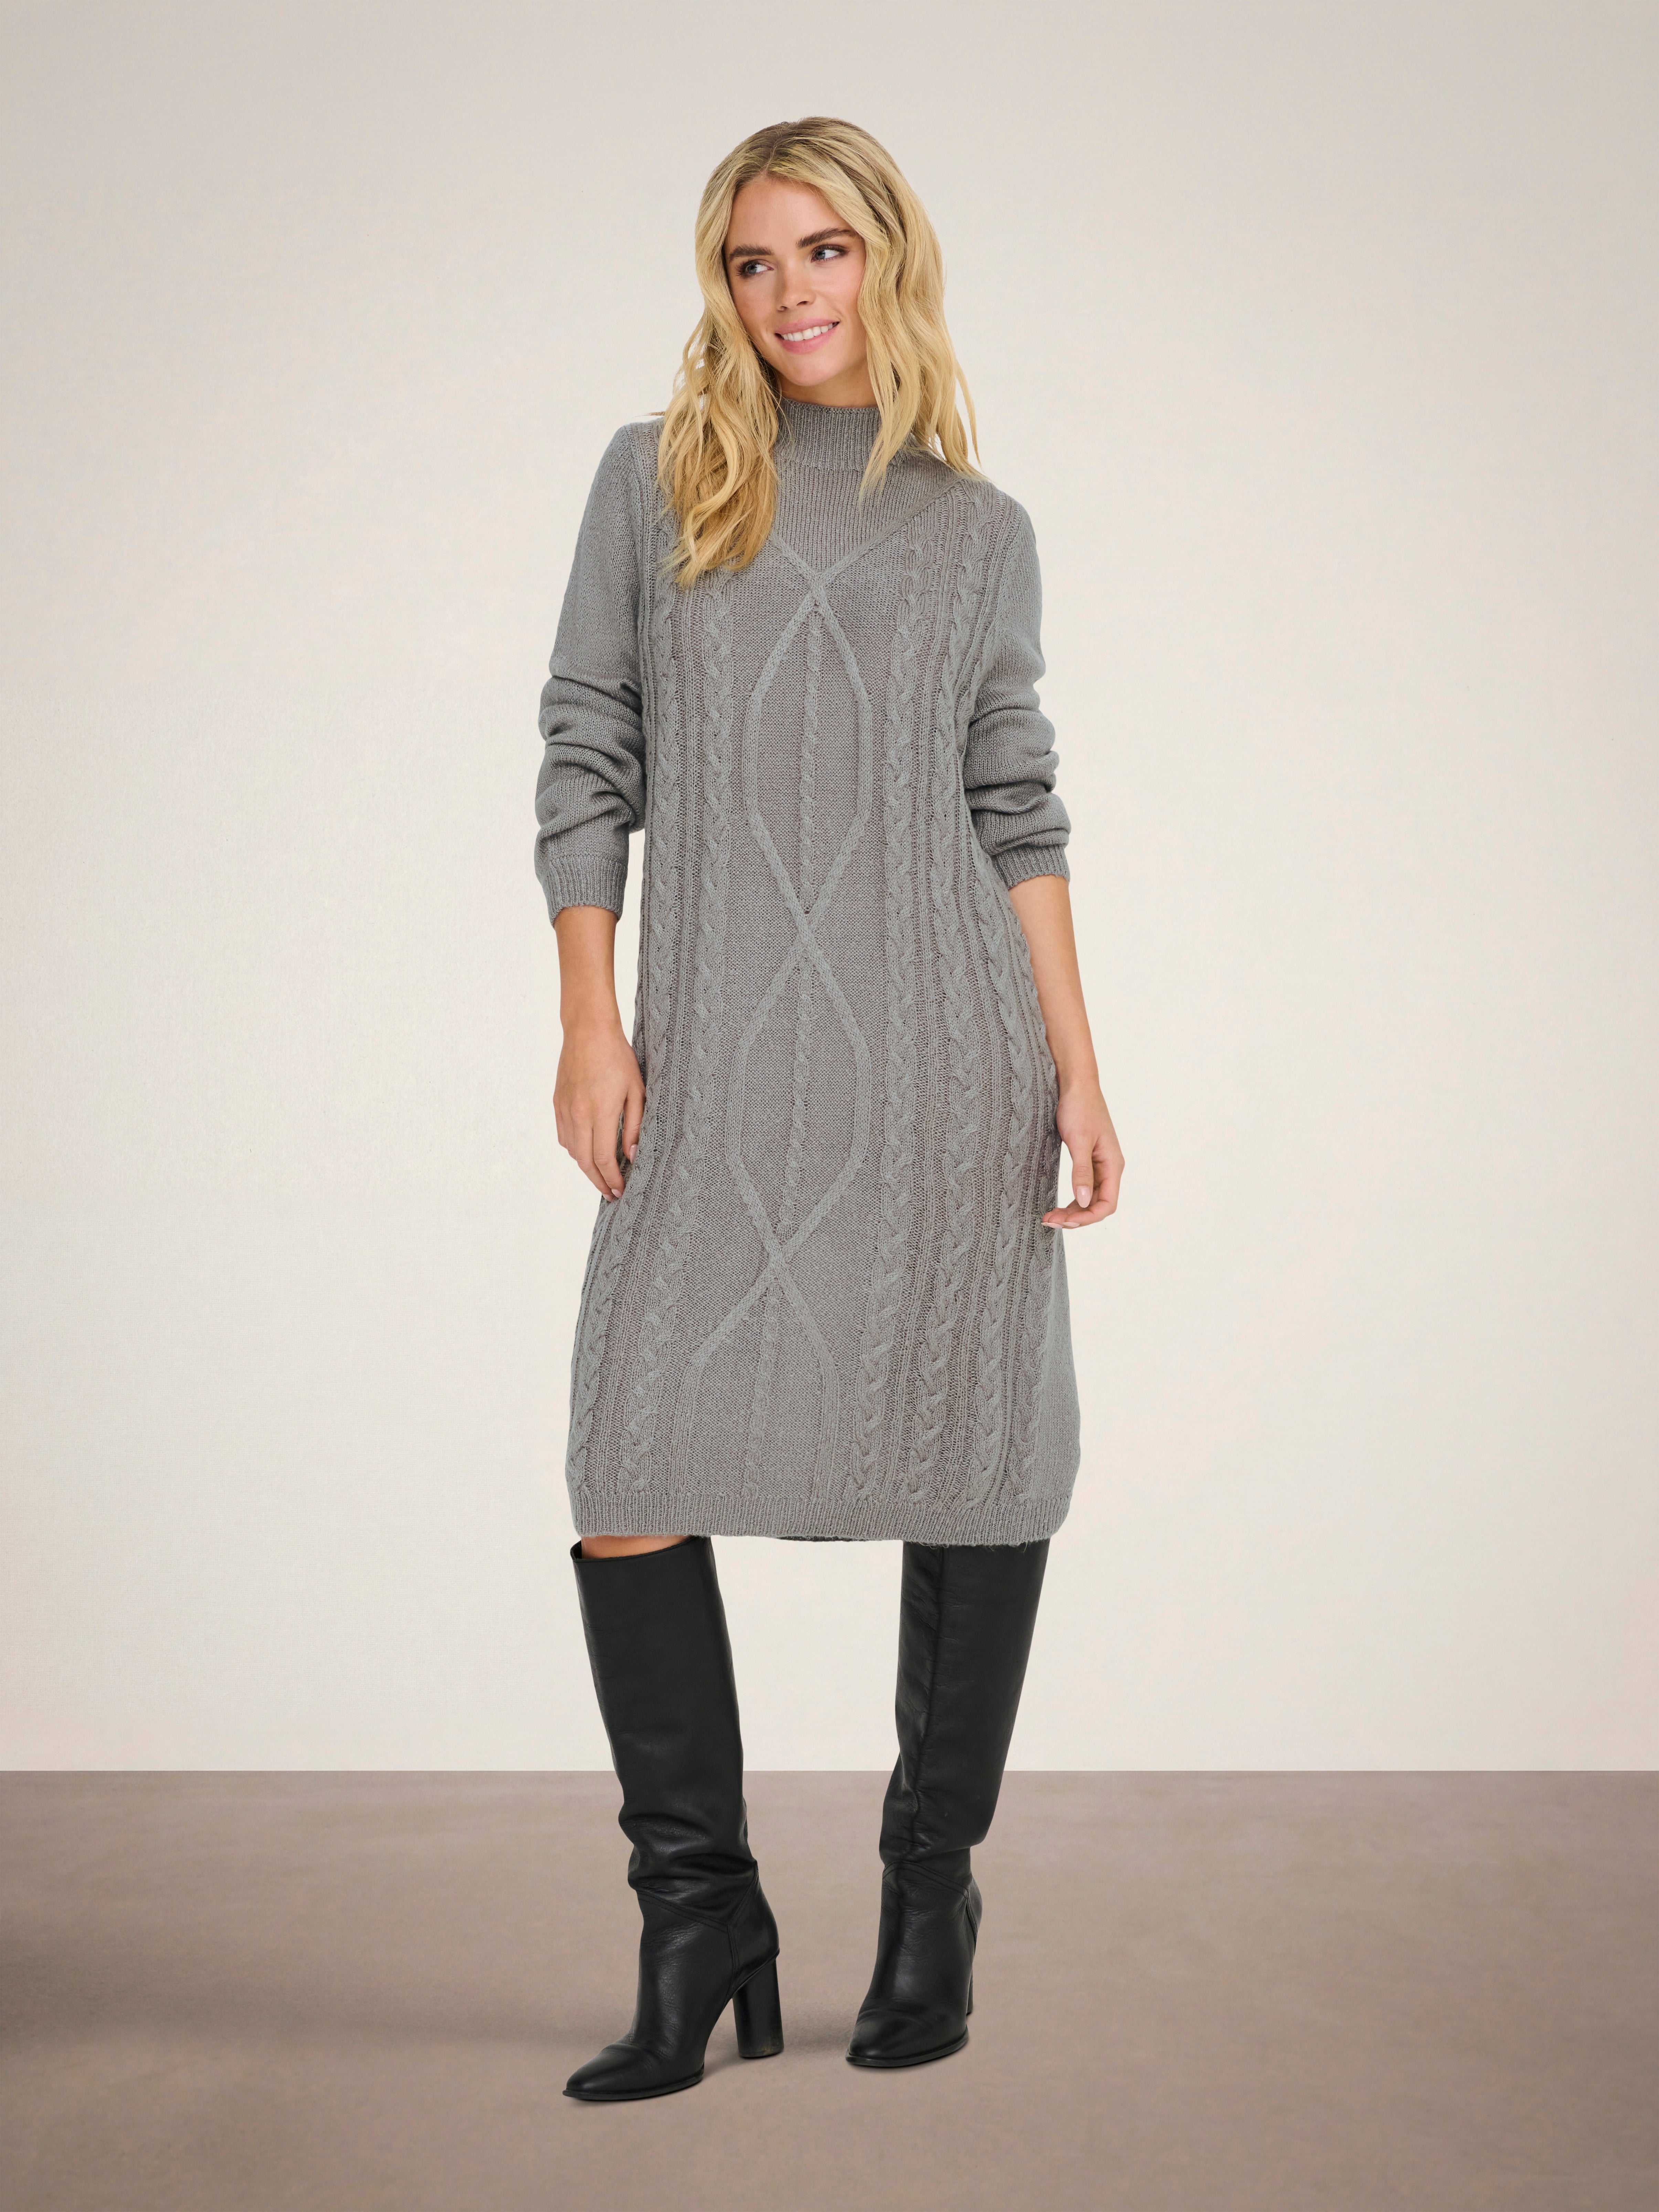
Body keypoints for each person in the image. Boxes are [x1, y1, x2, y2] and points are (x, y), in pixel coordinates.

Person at [533, 116, 1123, 2103]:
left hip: (950, 1051)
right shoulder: (654, 482)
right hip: (713, 1053)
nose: (791, 292)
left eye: (825, 249)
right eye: (752, 259)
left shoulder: (977, 530)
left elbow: (1014, 803)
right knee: (627, 1454)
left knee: (976, 1458)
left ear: (890, 259)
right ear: (721, 287)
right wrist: (590, 1019)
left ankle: (929, 1892)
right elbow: (588, 744)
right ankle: (697, 1915)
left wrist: (1077, 1064)